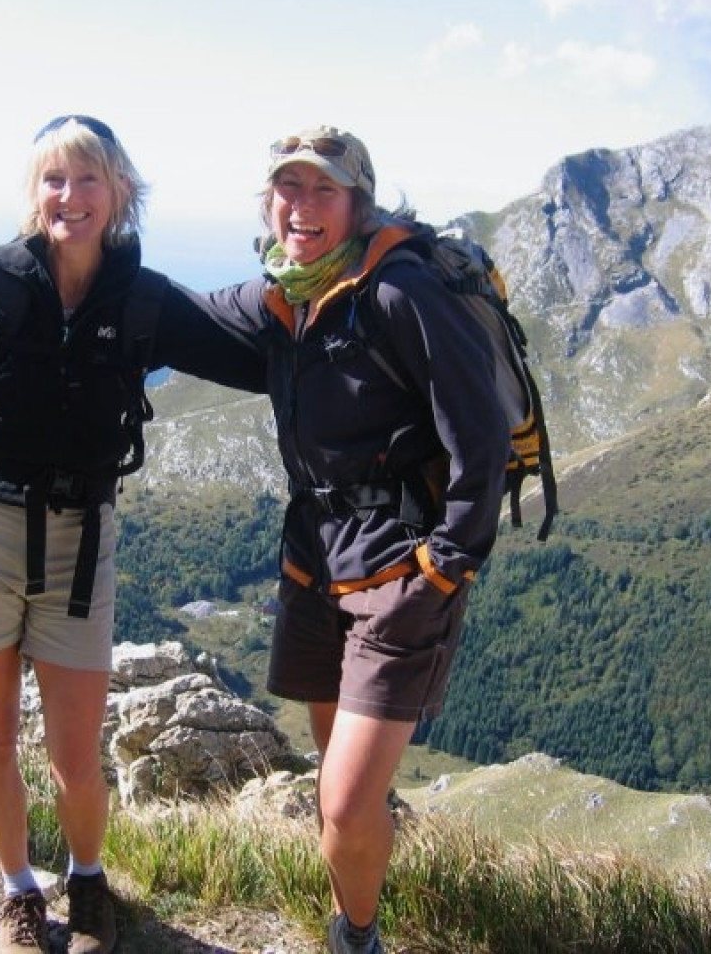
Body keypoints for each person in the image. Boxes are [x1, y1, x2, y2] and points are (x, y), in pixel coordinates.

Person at [0, 115, 262, 954]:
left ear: (122, 193)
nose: (70, 197)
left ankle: (87, 885)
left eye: (89, 180)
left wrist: (342, 299)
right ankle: (18, 895)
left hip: (80, 543)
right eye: (54, 179)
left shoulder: (142, 298)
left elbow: (249, 354)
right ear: (33, 191)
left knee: (77, 749)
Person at [200, 127, 511, 953]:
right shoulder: (287, 295)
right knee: (341, 784)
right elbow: (182, 319)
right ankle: (354, 915)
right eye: (287, 188)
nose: (301, 206)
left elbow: (479, 444)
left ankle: (357, 937)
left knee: (340, 801)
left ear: (358, 202)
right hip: (313, 565)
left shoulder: (401, 293)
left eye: (323, 191)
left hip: (399, 574)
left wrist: (443, 572)